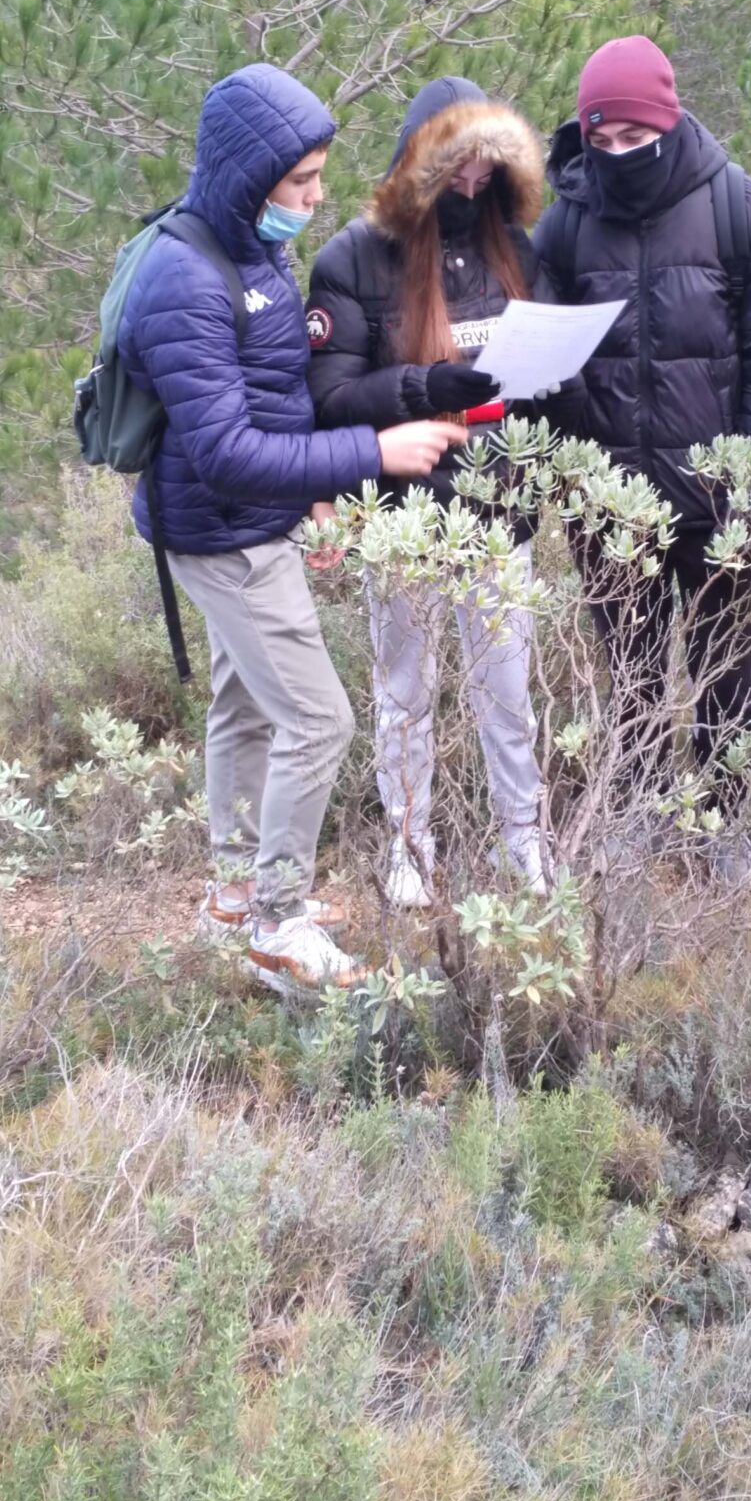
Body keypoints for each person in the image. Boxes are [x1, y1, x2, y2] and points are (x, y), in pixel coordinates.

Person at [120, 63, 468, 993]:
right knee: (319, 720)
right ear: (251, 177)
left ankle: (235, 894)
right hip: (222, 531)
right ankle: (279, 920)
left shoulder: (248, 247)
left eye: (318, 177)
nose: (316, 198)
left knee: (243, 704)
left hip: (253, 519)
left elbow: (274, 394)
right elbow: (227, 452)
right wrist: (371, 454)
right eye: (301, 181)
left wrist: (314, 495)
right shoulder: (187, 278)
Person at [532, 34, 751, 883]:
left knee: (726, 674)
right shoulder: (565, 222)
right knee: (633, 670)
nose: (618, 154)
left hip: (721, 504)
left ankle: (723, 826)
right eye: (603, 138)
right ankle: (638, 810)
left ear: (671, 120)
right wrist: (578, 475)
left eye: (636, 137)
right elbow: (546, 358)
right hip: (612, 505)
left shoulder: (747, 215)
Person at [307, 77, 558, 908]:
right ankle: (409, 848)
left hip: (500, 514)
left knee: (508, 695)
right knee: (405, 694)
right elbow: (332, 397)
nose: (474, 183)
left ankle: (524, 843)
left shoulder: (514, 249)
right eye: (459, 167)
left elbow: (540, 374)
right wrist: (421, 386)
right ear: (422, 163)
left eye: (488, 169)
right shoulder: (355, 258)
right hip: (405, 517)